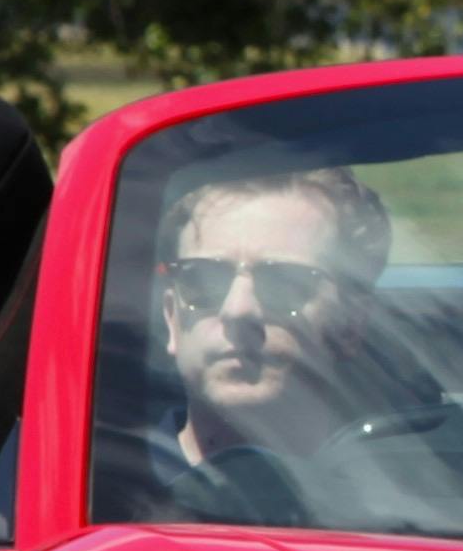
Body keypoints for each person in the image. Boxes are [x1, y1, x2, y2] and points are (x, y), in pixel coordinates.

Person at [152, 165, 411, 518]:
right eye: (203, 280)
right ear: (171, 317)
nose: (238, 310)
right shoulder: (99, 489)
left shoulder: (412, 506)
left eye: (284, 284)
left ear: (350, 324)